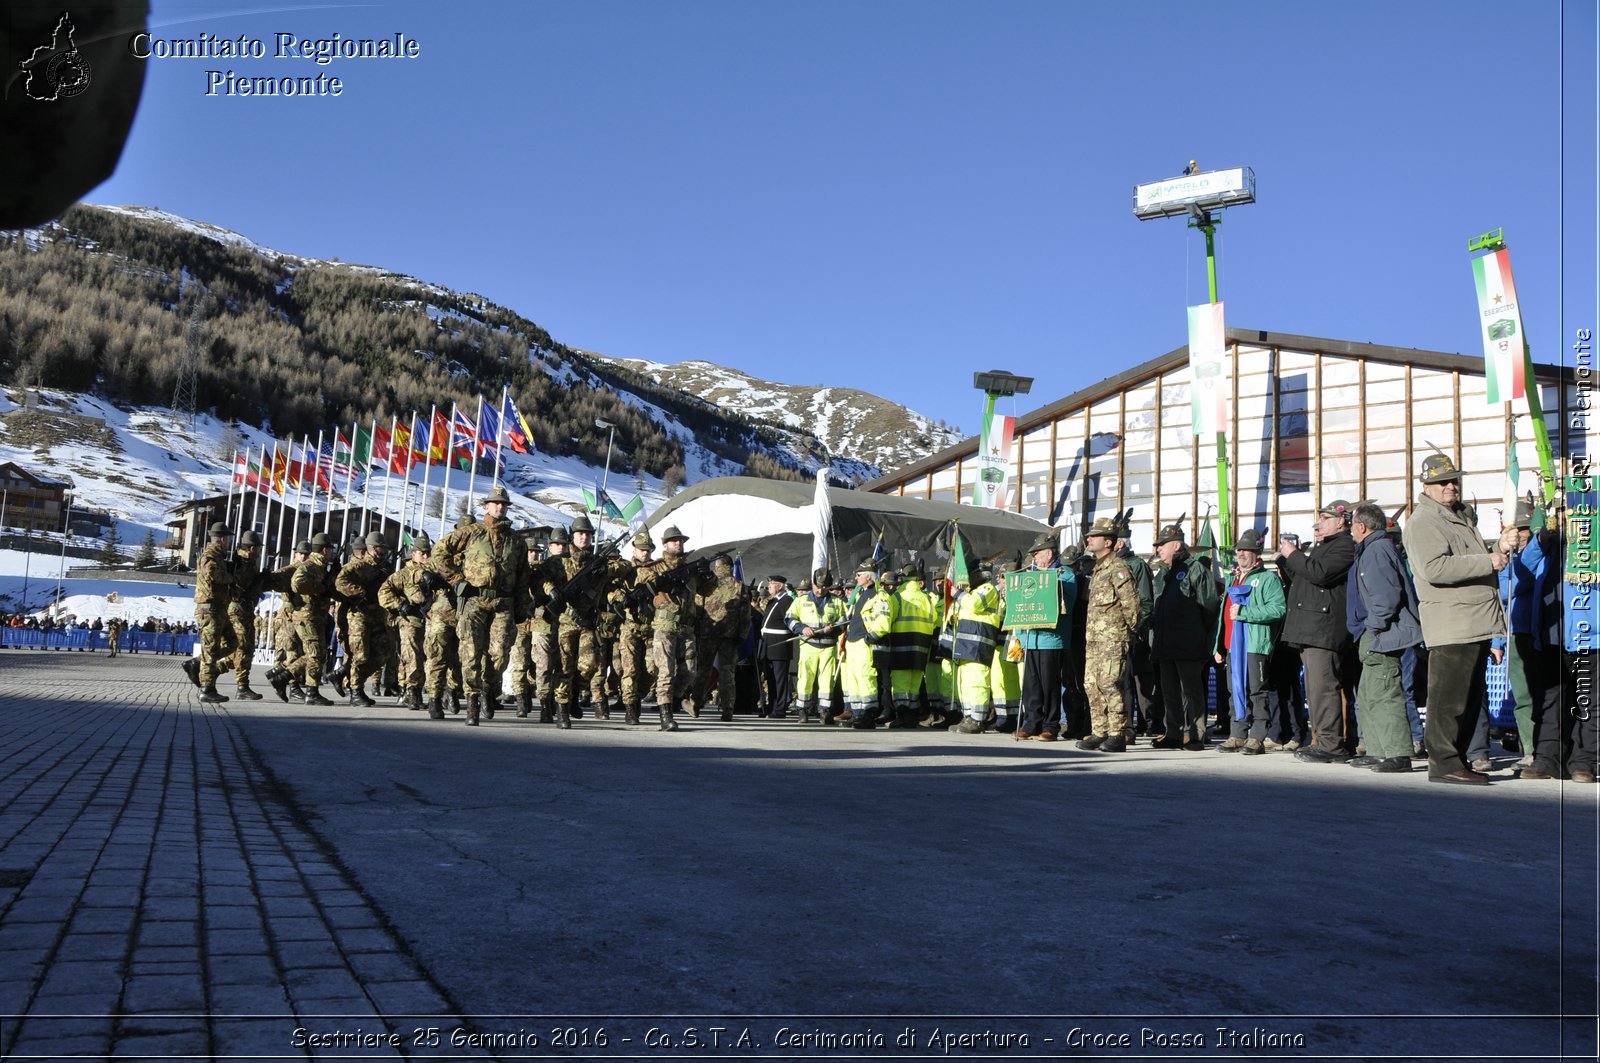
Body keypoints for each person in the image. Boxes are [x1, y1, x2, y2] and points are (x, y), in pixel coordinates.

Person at [1402, 454, 1508, 785]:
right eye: (1443, 481)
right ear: (1427, 486)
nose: (1451, 485)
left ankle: (1458, 759)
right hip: (1453, 623)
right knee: (1448, 699)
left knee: (1469, 698)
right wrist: (1487, 560)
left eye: (1454, 480)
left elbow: (1465, 557)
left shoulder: (1456, 517)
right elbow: (1434, 568)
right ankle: (1445, 763)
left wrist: (1497, 546)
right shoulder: (1424, 522)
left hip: (1472, 620)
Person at [429, 485, 533, 726]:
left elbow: (523, 575)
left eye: (503, 504)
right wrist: (456, 580)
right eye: (495, 503)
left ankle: (488, 687)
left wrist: (522, 605)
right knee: (471, 652)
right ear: (486, 506)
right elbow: (440, 551)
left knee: (499, 653)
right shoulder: (472, 532)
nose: (499, 507)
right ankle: (472, 702)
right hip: (474, 599)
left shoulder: (516, 541)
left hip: (503, 601)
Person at [1277, 500, 1358, 764]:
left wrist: (1294, 555)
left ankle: (1331, 745)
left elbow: (1320, 574)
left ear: (1340, 521)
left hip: (1324, 628)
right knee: (1316, 688)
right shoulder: (1324, 547)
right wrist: (1287, 560)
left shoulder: (1345, 545)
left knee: (1324, 688)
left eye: (1324, 518)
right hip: (1312, 628)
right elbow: (1306, 580)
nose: (1318, 524)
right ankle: (1322, 740)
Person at [1346, 503, 1423, 772]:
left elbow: (1386, 598)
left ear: (1362, 526)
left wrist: (1374, 628)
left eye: (1351, 523)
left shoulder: (1377, 550)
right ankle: (1379, 750)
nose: (1349, 528)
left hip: (1383, 633)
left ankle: (1399, 753)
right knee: (1369, 694)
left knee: (1386, 692)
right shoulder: (1373, 548)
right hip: (1374, 632)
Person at [1496, 500, 1562, 779]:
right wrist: (1497, 643)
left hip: (1545, 632)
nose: (1522, 535)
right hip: (1517, 634)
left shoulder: (1545, 553)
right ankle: (1531, 750)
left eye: (1526, 530)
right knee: (1524, 697)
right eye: (1518, 530)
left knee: (1547, 695)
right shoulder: (1511, 561)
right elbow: (1504, 591)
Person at [1212, 528, 1286, 755]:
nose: (1242, 554)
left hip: (1255, 646)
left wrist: (1246, 612)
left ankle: (1257, 736)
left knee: (1257, 691)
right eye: (1239, 550)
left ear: (1257, 553)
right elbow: (1224, 615)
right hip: (1232, 646)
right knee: (1235, 692)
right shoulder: (1234, 578)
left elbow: (1278, 609)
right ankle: (1237, 734)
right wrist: (1218, 646)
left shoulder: (1267, 579)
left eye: (1247, 550)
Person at [1150, 521, 1220, 749]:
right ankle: (1173, 734)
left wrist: (1196, 632)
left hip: (1188, 642)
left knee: (1192, 691)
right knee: (1169, 691)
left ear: (1177, 545)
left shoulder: (1195, 568)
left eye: (1163, 545)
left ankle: (1197, 735)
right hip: (1165, 642)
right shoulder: (1165, 572)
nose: (1159, 549)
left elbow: (1209, 606)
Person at [1077, 517, 1142, 751]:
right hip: (1094, 639)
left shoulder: (1119, 568)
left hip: (1113, 639)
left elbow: (1132, 605)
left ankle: (1117, 733)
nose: (1089, 539)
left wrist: (1128, 635)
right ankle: (1099, 731)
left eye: (1094, 536)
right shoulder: (1097, 570)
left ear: (1108, 541)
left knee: (1110, 683)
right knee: (1091, 684)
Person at [1015, 532, 1079, 740]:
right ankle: (1031, 722)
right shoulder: (1028, 574)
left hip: (1051, 638)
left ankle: (1050, 725)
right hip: (1030, 637)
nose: (1034, 558)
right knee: (1031, 684)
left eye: (1037, 554)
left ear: (1049, 553)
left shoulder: (1065, 574)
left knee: (1049, 683)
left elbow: (1065, 605)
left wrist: (1044, 581)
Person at [378, 533, 434, 714]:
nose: (425, 556)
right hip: (410, 621)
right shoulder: (403, 575)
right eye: (422, 553)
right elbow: (383, 593)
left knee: (430, 657)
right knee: (412, 657)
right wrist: (400, 604)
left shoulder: (433, 572)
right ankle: (412, 693)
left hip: (431, 621)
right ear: (414, 553)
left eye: (428, 553)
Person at [334, 531, 392, 708]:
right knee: (361, 655)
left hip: (376, 616)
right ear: (373, 548)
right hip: (358, 617)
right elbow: (340, 582)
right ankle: (356, 691)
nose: (384, 552)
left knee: (383, 652)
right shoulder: (358, 566)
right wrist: (360, 592)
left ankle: (344, 674)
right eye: (381, 548)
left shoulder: (381, 568)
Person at [787, 567, 847, 724]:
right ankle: (803, 710)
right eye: (817, 587)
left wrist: (833, 629)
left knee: (827, 680)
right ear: (813, 584)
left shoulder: (838, 602)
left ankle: (824, 711)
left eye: (824, 587)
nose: (820, 590)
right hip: (809, 646)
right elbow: (790, 618)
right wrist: (802, 628)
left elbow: (844, 621)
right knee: (805, 678)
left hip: (828, 647)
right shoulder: (801, 600)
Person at [186, 521, 237, 704]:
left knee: (232, 643)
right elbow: (214, 575)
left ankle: (196, 663)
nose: (229, 543)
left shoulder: (219, 557)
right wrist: (231, 577)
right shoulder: (210, 556)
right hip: (209, 609)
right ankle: (207, 689)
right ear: (222, 539)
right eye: (228, 539)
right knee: (211, 649)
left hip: (219, 608)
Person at [697, 554, 750, 722]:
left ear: (717, 566)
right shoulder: (740, 586)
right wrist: (742, 635)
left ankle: (696, 703)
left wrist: (697, 630)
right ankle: (727, 710)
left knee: (704, 670)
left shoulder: (708, 584)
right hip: (730, 635)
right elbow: (745, 615)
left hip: (708, 633)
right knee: (727, 673)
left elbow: (698, 608)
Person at [841, 560, 892, 728]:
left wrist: (869, 638)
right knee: (854, 680)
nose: (855, 578)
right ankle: (857, 714)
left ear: (868, 577)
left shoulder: (880, 595)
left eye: (859, 575)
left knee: (866, 678)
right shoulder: (860, 594)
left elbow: (884, 622)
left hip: (864, 643)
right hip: (852, 643)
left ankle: (868, 714)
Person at [759, 574, 795, 718]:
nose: (769, 587)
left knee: (780, 679)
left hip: (779, 646)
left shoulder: (787, 601)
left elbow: (790, 622)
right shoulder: (773, 601)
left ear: (779, 586)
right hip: (768, 645)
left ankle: (780, 708)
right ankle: (772, 706)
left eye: (772, 584)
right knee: (771, 679)